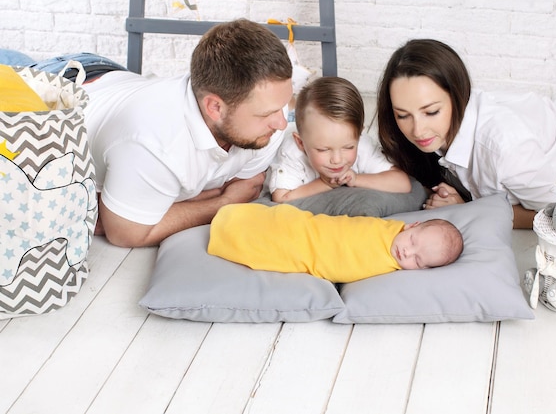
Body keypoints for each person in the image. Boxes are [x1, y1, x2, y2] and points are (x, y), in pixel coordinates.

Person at [83, 19, 293, 247]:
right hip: (74, 81)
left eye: (282, 107)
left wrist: (162, 207)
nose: (282, 124)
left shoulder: (268, 119)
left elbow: (249, 185)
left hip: (122, 83)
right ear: (215, 107)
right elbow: (126, 233)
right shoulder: (154, 141)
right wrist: (225, 201)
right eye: (266, 114)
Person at [377, 38, 556, 229]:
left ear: (458, 96)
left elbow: (554, 215)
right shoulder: (430, 135)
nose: (417, 130)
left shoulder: (504, 148)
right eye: (402, 115)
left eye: (431, 111)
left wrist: (469, 209)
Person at [207, 203, 463, 283]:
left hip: (310, 255)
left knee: (271, 248)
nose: (406, 251)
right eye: (413, 241)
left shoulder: (394, 271)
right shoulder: (391, 227)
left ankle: (229, 232)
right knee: (284, 225)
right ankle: (230, 219)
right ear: (412, 226)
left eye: (417, 260)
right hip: (313, 231)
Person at [268, 76, 411, 203]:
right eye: (323, 149)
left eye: (348, 147)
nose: (336, 160)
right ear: (300, 143)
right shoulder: (292, 151)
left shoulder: (362, 144)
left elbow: (402, 183)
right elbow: (281, 196)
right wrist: (325, 183)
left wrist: (356, 179)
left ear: (359, 135)